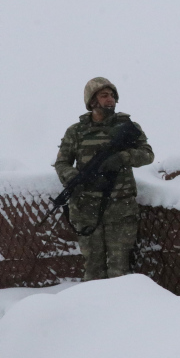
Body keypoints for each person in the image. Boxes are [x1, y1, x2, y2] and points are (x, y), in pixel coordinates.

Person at [54, 77, 154, 281]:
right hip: (87, 207)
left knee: (119, 267)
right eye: (104, 95)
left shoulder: (128, 126)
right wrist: (75, 177)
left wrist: (123, 157)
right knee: (93, 267)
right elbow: (62, 163)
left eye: (112, 95)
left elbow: (147, 154)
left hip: (120, 207)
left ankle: (120, 310)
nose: (111, 100)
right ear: (92, 101)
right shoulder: (76, 131)